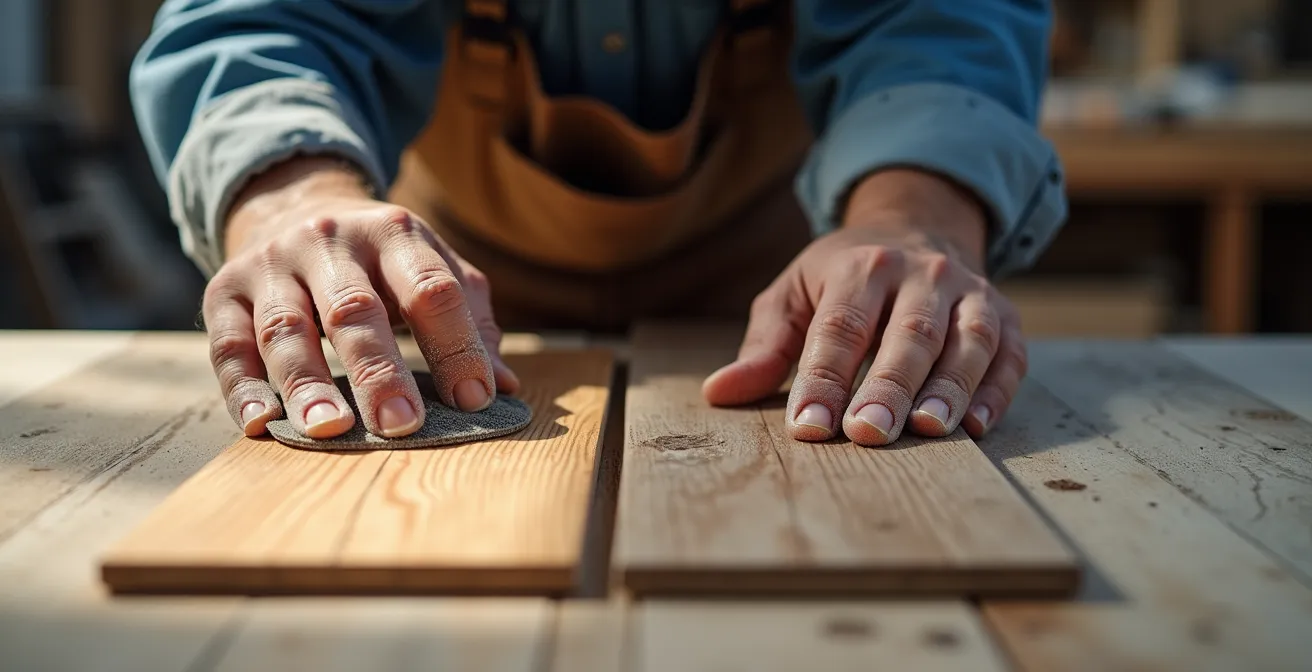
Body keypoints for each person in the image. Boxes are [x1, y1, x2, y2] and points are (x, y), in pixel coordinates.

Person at [131, 0, 1066, 446]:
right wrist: (298, 200)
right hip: (429, 299)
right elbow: (259, 21)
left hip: (791, 318)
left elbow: (937, 20)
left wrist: (913, 221)